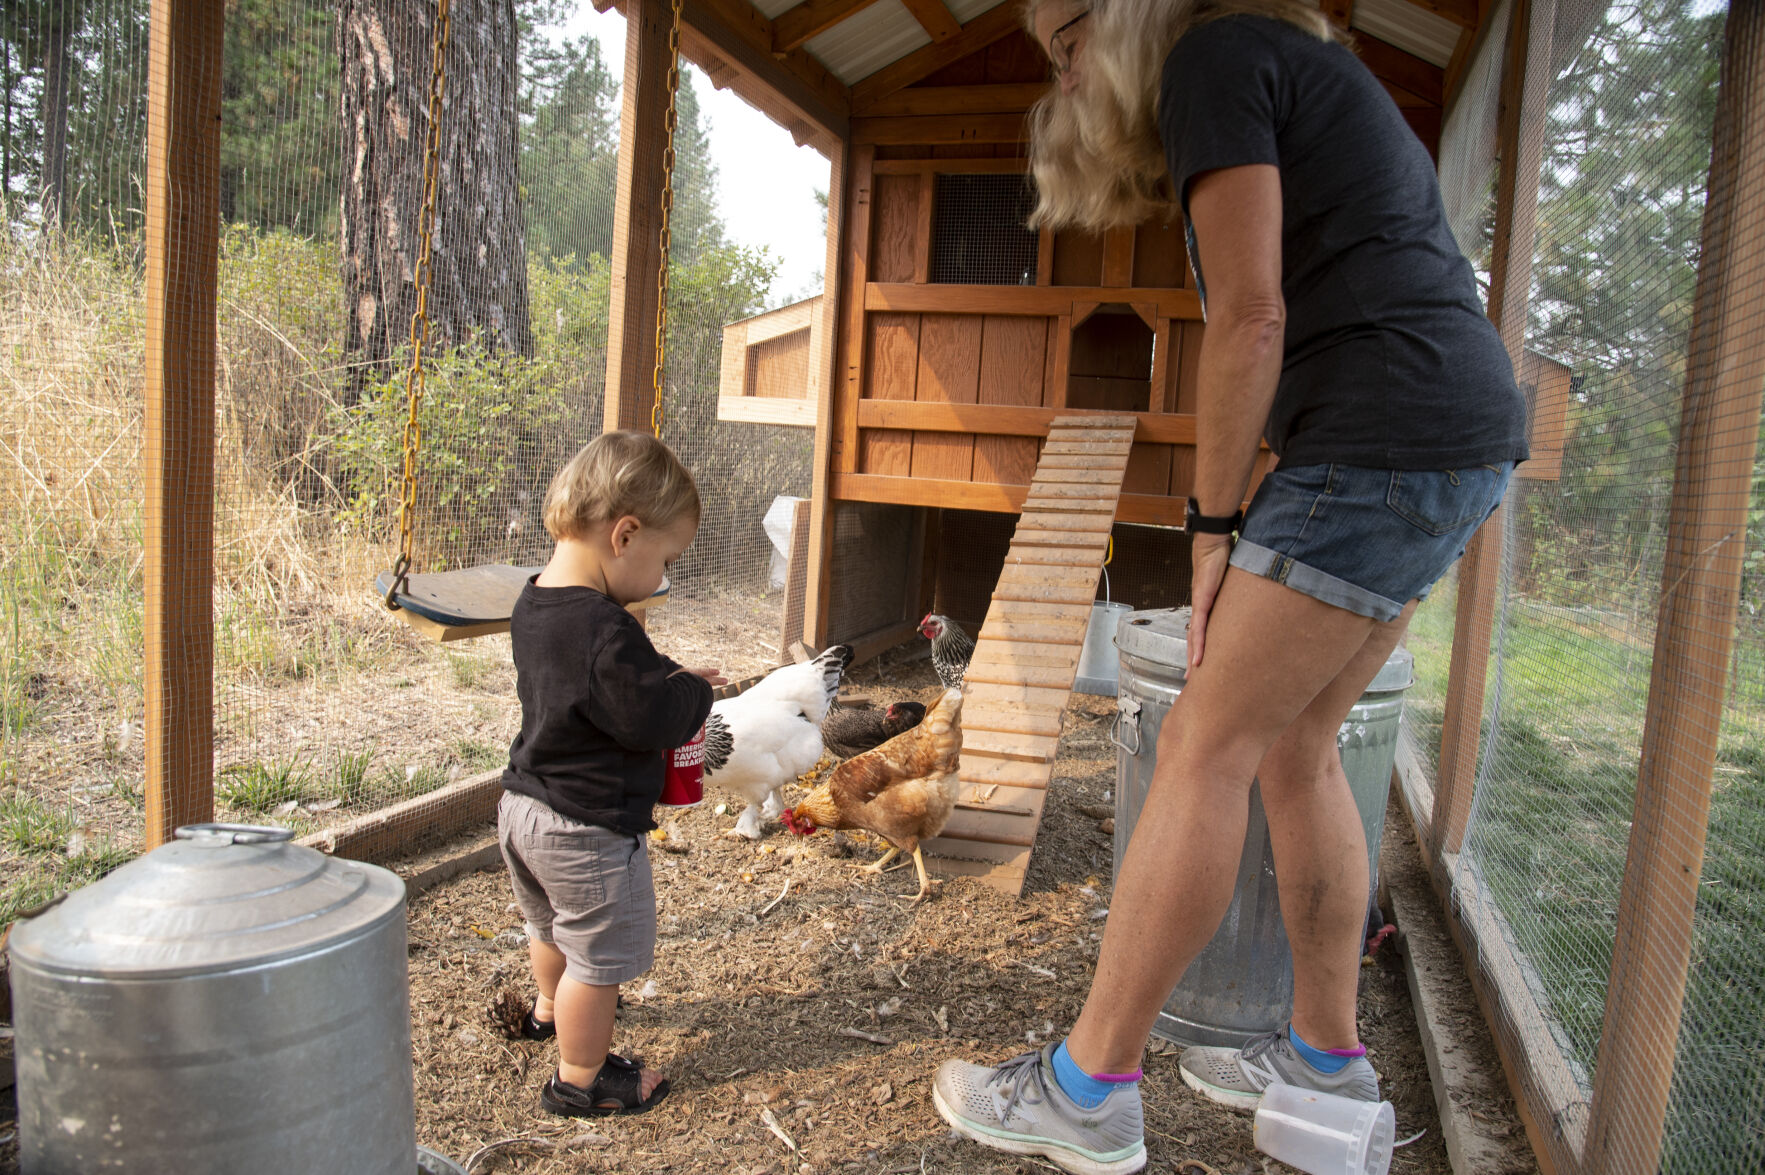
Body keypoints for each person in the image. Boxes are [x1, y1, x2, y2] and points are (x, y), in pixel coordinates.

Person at [932, 2, 1529, 1171]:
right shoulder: (1298, 68)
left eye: (1066, 37)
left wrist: (1210, 529)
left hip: (1377, 439)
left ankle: (1085, 1085)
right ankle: (1321, 1058)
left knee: (1203, 740)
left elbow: (1251, 319)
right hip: (1450, 436)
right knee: (1299, 745)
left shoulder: (1213, 56)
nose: (1063, 68)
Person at [497, 430, 724, 1117]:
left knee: (550, 930)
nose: (661, 578)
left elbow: (594, 690)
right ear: (624, 534)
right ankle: (581, 1076)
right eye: (665, 559)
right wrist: (695, 690)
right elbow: (650, 721)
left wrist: (660, 676)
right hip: (582, 828)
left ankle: (544, 1010)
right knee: (595, 964)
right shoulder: (608, 629)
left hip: (521, 808)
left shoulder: (534, 599)